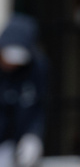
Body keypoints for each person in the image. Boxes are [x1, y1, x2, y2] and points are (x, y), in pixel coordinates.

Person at [0, 15, 47, 167]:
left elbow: (38, 106)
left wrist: (33, 136)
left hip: (18, 143)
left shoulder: (36, 68)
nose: (11, 64)